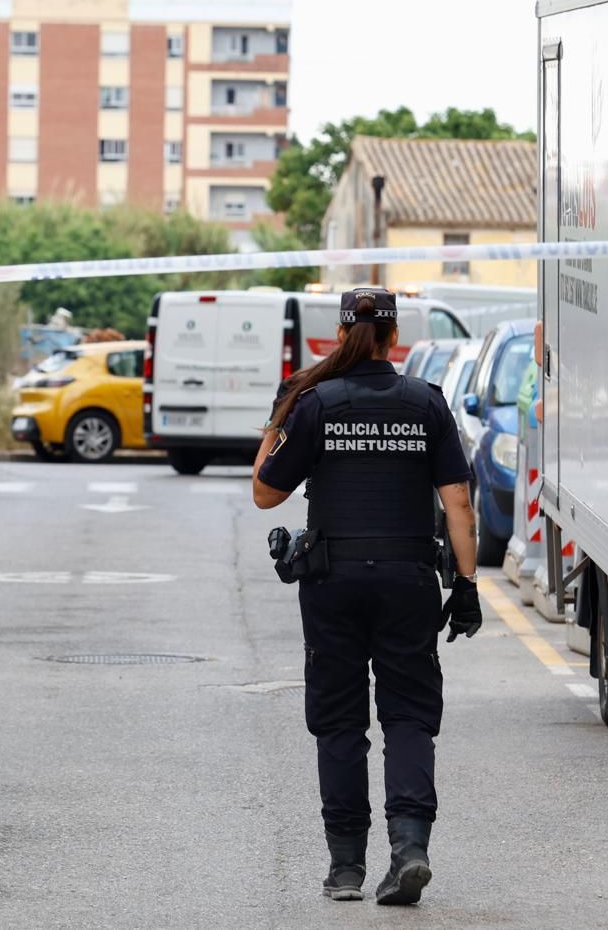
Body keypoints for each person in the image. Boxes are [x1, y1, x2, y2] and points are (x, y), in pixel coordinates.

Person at [253, 287, 480, 906]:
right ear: (394, 337)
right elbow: (457, 503)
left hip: (334, 583)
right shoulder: (426, 404)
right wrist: (466, 584)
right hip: (408, 581)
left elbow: (265, 494)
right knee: (408, 716)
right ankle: (409, 848)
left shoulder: (318, 403)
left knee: (340, 724)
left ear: (342, 335)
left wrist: (277, 420)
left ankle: (346, 866)